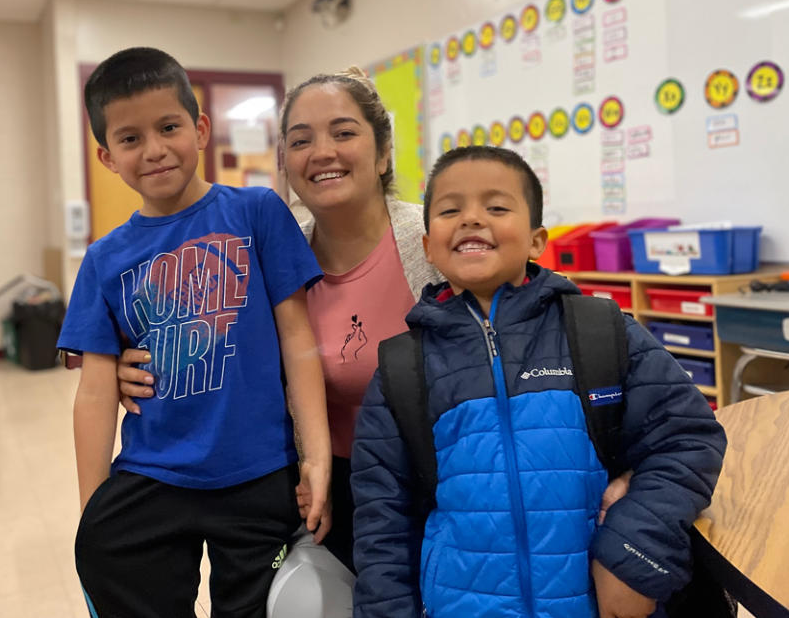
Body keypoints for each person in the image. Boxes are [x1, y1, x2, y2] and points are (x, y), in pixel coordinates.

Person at [116, 69, 635, 585]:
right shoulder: (269, 249)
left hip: (450, 483)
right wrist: (138, 365)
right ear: (285, 166)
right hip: (323, 491)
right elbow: (206, 333)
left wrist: (634, 458)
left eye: (344, 133)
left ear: (383, 153)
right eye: (301, 140)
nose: (322, 152)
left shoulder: (432, 241)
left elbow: (555, 324)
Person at [350, 145, 728, 618]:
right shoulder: (402, 369)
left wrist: (634, 551)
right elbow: (381, 523)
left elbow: (688, 438)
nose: (471, 218)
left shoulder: (599, 331)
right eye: (450, 209)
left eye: (496, 206)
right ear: (428, 246)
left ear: (535, 240)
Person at [58, 46, 331, 618]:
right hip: (154, 473)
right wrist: (94, 510)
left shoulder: (257, 212)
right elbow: (95, 391)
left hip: (259, 472)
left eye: (168, 127)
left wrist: (316, 456)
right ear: (107, 157)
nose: (154, 150)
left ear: (200, 128)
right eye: (130, 139)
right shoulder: (104, 259)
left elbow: (298, 342)